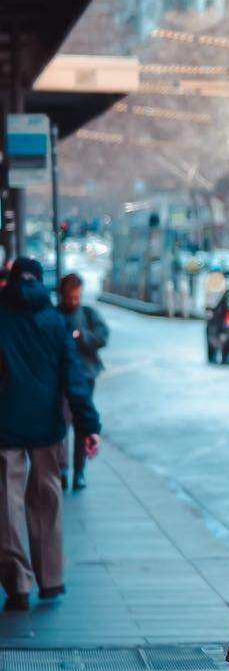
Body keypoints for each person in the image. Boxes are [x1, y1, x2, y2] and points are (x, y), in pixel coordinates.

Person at [0, 259, 100, 611]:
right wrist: (88, 426)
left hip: (5, 427)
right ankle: (51, 580)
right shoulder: (55, 322)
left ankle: (17, 583)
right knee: (47, 501)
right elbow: (74, 379)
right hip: (47, 426)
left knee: (6, 506)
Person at [56, 275, 108, 492]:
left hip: (85, 375)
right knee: (60, 425)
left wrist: (81, 336)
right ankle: (62, 470)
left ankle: (79, 471)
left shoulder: (88, 314)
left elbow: (102, 337)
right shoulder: (54, 315)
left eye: (76, 296)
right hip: (60, 379)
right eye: (69, 296)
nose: (73, 300)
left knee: (81, 426)